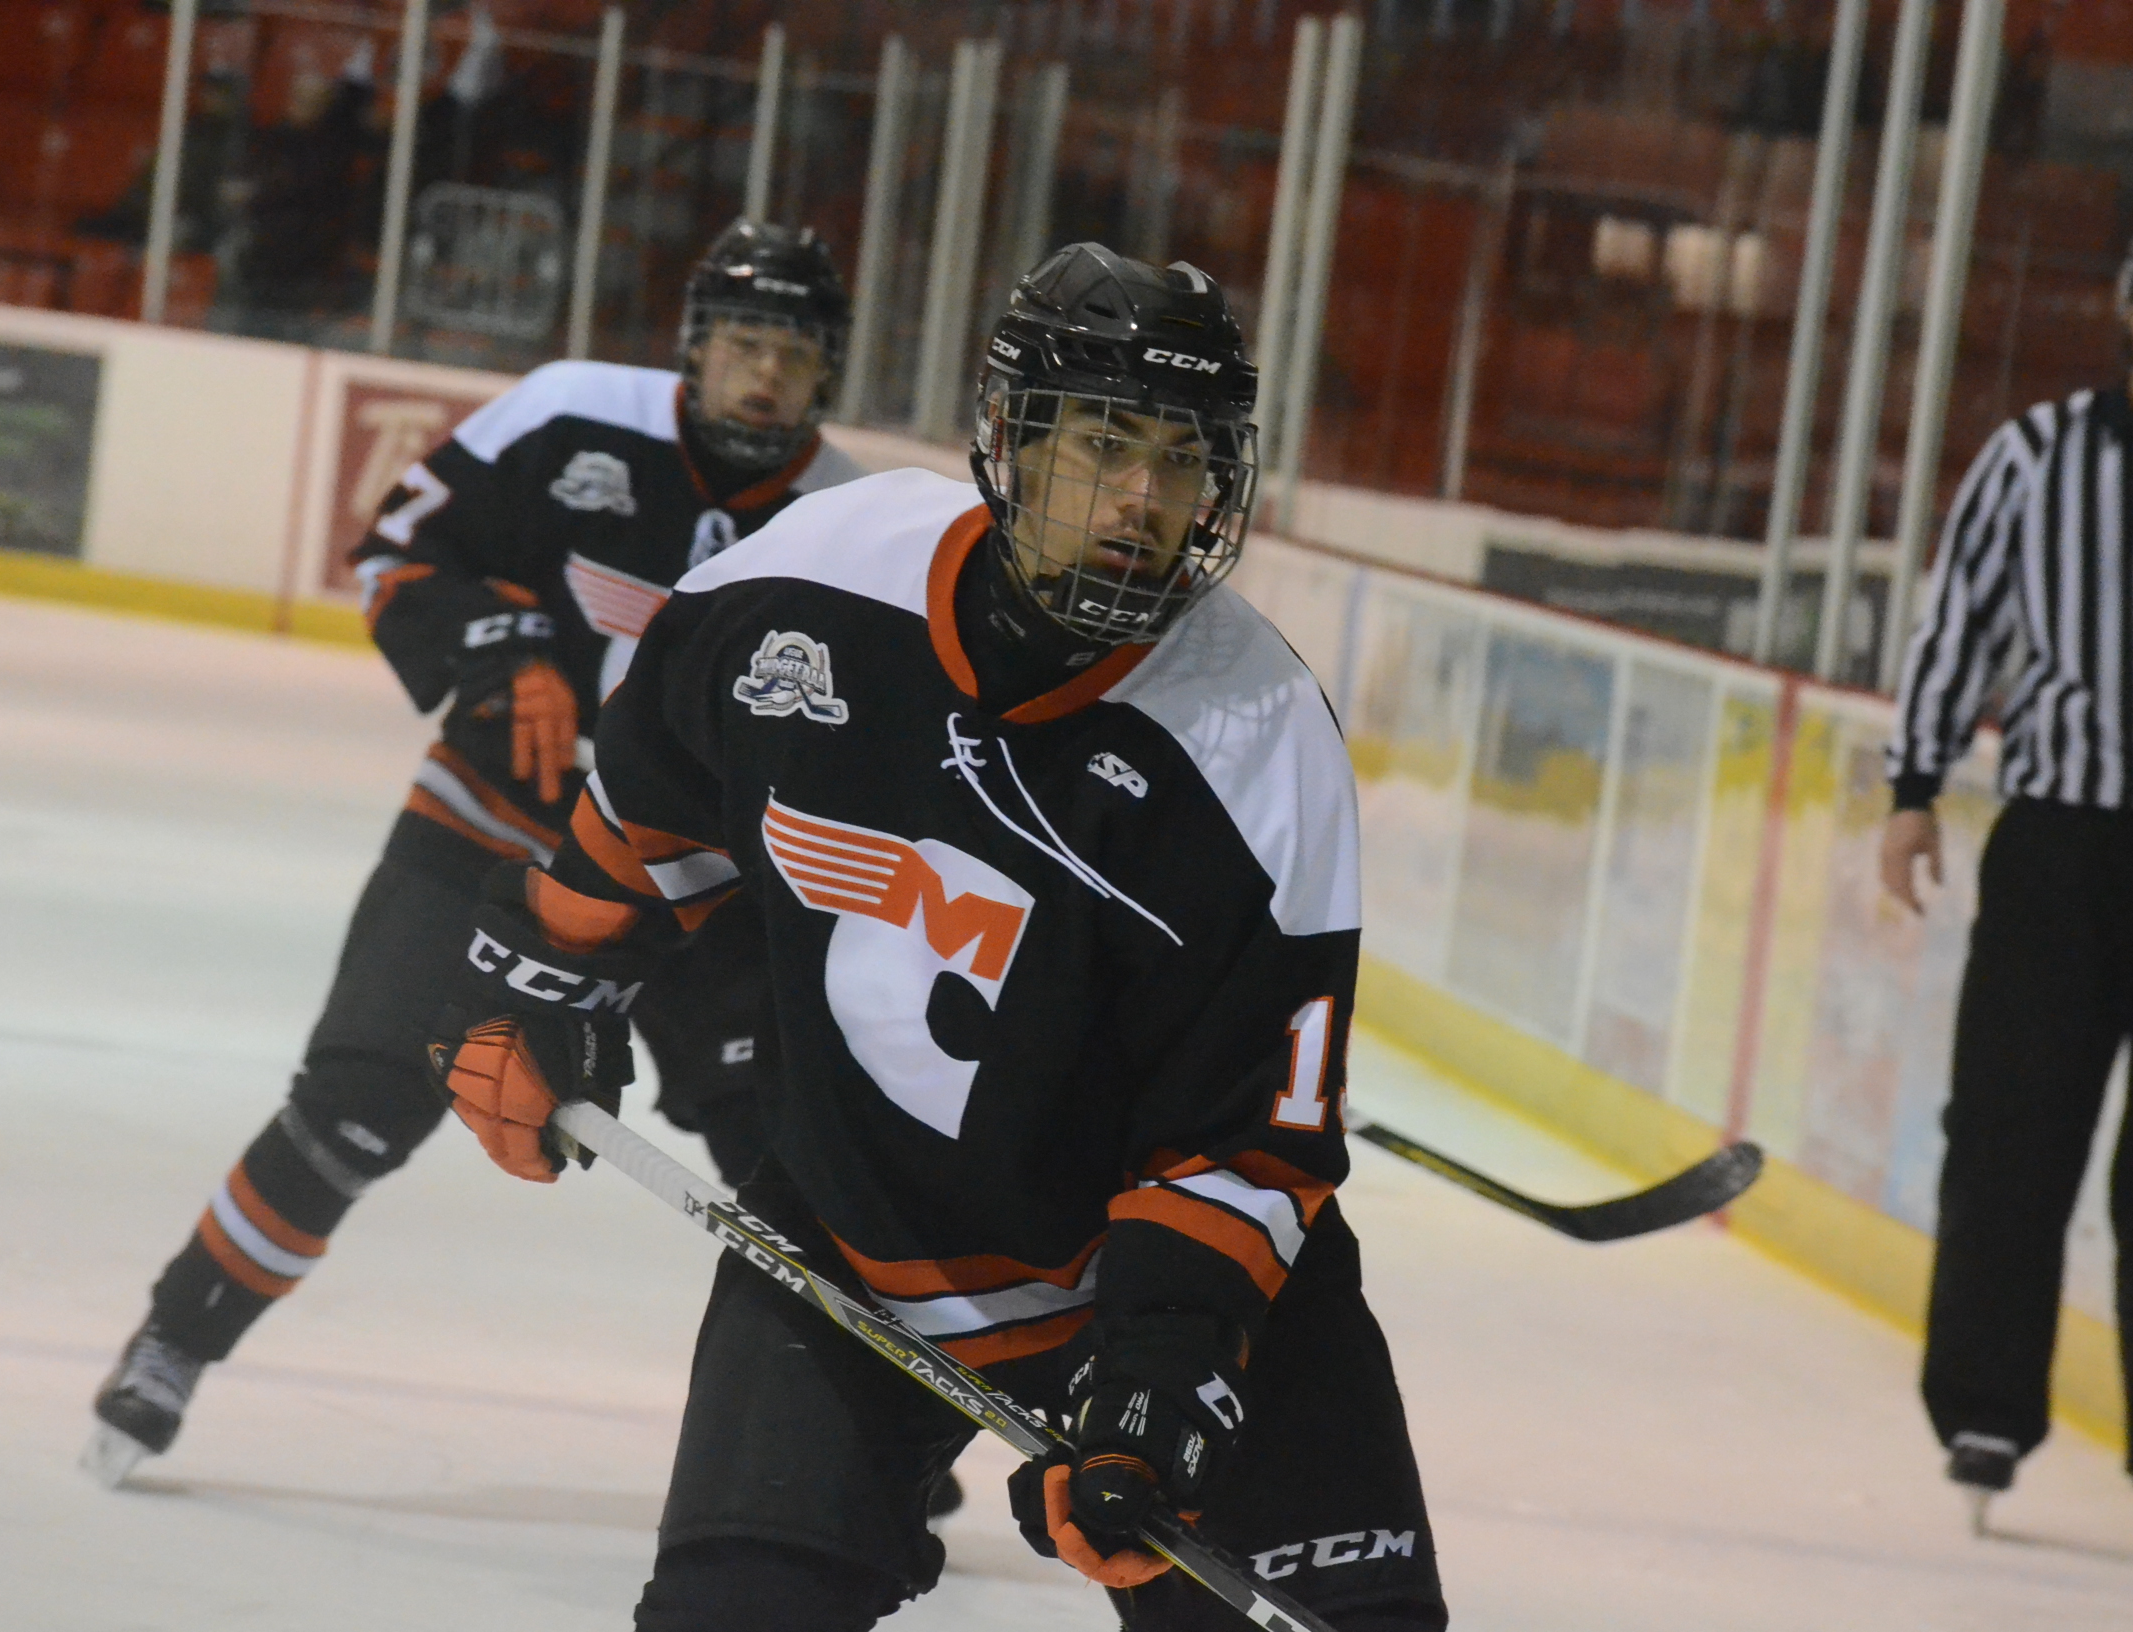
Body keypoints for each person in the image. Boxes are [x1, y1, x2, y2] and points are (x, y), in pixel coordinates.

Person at [423, 242, 1448, 1631]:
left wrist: (1160, 1376)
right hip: (852, 1245)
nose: (1145, 499)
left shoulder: (1257, 737)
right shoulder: (809, 585)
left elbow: (1243, 1141)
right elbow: (650, 817)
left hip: (1147, 1285)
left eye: (1183, 457)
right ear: (1014, 438)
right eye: (1104, 444)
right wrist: (545, 986)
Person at [82, 220, 863, 1486]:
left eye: (792, 350)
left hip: (694, 892)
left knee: (787, 1167)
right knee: (352, 1111)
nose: (764, 373)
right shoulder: (570, 415)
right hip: (491, 833)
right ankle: (176, 1337)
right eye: (741, 341)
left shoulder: (852, 522)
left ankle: (863, 1437)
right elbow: (401, 548)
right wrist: (500, 647)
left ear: (828, 368)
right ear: (694, 345)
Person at [1882, 201, 2133, 1562]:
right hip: (2060, 852)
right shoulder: (2037, 454)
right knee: (2011, 1139)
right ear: (2126, 304)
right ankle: (1985, 1413)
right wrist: (1912, 787)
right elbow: (1960, 620)